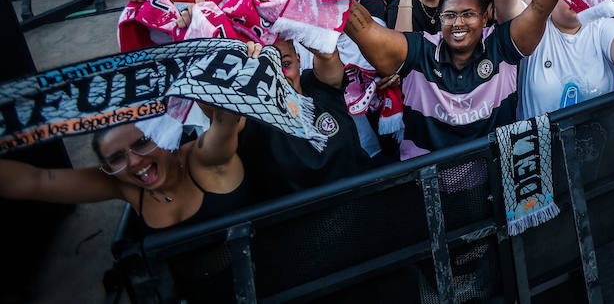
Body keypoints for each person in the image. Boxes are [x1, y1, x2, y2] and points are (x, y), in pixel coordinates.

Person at [0, 80, 256, 234]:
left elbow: (225, 126)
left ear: (162, 134)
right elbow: (36, 181)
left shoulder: (201, 159)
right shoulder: (123, 185)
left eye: (142, 143)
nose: (134, 162)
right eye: (116, 158)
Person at [339, 0, 561, 159]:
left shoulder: (500, 44)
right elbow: (365, 30)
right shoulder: (421, 50)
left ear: (484, 18)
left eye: (468, 14)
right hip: (433, 185)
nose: (458, 23)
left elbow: (539, 9)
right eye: (450, 15)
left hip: (494, 177)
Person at [238, 39, 371, 195]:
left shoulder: (318, 84)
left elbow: (327, 54)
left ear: (298, 60)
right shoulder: (252, 117)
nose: (279, 75)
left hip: (366, 196)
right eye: (266, 67)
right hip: (311, 217)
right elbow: (220, 116)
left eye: (285, 64)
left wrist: (304, 28)